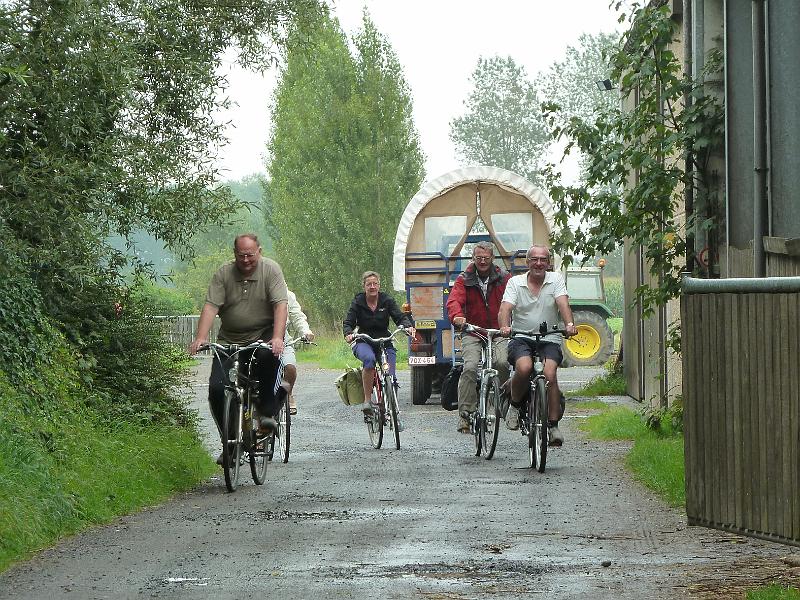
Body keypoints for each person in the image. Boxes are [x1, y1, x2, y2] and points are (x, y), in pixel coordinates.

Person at [188, 233, 289, 464]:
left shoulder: (271, 270)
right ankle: (231, 443)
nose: (246, 260)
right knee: (216, 389)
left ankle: (265, 410)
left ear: (259, 252)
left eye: (250, 255)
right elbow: (211, 306)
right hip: (229, 340)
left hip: (262, 336)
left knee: (268, 356)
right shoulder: (223, 273)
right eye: (241, 255)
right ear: (234, 254)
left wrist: (276, 337)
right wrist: (201, 338)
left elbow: (280, 306)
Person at [498, 244, 577, 446]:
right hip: (521, 337)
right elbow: (505, 308)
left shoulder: (556, 279)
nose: (539, 263)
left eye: (543, 259)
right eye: (534, 259)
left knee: (550, 374)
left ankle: (553, 426)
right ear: (528, 263)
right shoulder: (515, 283)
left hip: (549, 337)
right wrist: (505, 327)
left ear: (548, 263)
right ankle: (514, 405)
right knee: (524, 367)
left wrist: (569, 324)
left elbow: (563, 304)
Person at [446, 241, 511, 434]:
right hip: (472, 330)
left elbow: (514, 299)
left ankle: (501, 402)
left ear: (492, 258)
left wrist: (510, 323)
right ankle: (465, 414)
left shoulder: (504, 278)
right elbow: (454, 300)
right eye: (478, 258)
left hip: (498, 331)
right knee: (470, 367)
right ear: (473, 258)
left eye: (486, 258)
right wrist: (457, 316)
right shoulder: (463, 279)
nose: (482, 261)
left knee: (502, 362)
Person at [343, 271, 415, 423]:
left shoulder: (386, 300)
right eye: (369, 284)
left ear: (379, 285)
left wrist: (407, 327)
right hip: (364, 340)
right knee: (369, 361)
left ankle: (391, 408)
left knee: (391, 376)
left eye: (375, 283)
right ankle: (367, 402)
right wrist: (349, 333)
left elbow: (400, 317)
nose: (372, 287)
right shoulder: (358, 302)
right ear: (364, 286)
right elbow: (348, 322)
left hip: (384, 339)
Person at [282, 289, 315, 415]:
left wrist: (306, 331)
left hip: (283, 341)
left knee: (290, 368)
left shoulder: (288, 295)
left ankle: (288, 392)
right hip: (259, 341)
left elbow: (297, 316)